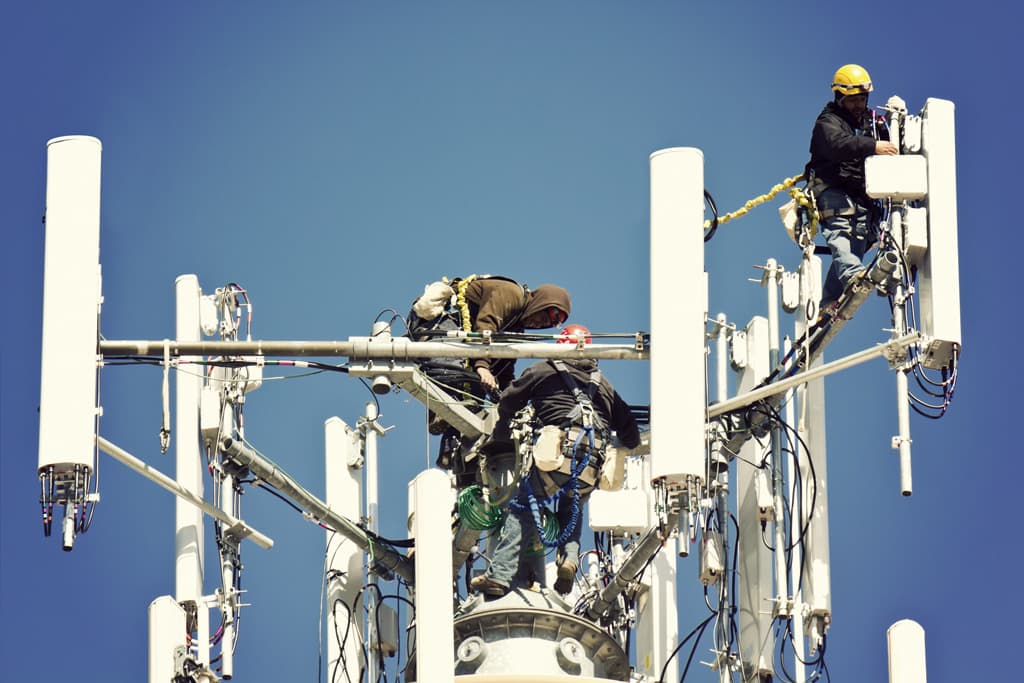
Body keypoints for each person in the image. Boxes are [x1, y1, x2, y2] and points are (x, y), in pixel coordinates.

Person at [470, 324, 641, 597]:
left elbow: (510, 399)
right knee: (571, 510)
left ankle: (500, 576)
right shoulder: (605, 385)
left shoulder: (543, 369)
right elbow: (631, 435)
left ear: (559, 345)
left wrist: (502, 427)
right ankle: (570, 559)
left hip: (557, 458)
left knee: (522, 509)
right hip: (591, 467)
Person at [806, 64, 898, 313]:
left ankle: (829, 301)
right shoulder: (828, 122)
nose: (859, 105)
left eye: (862, 100)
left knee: (857, 244)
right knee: (841, 235)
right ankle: (851, 274)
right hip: (833, 191)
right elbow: (838, 144)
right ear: (839, 97)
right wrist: (873, 146)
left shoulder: (870, 123)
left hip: (860, 197)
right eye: (853, 101)